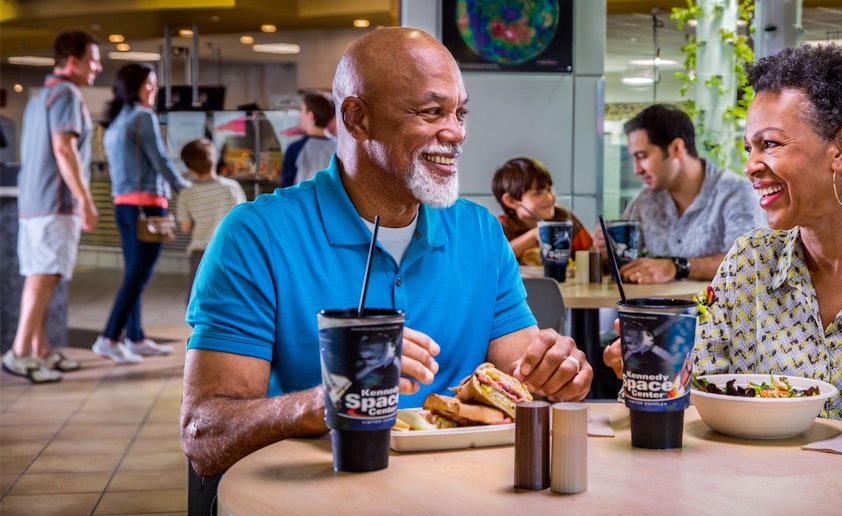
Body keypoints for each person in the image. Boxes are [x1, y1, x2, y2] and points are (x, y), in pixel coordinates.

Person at [181, 27, 591, 484]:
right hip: (312, 507)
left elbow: (525, 373)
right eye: (432, 111)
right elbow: (204, 435)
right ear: (356, 119)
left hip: (465, 502)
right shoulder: (256, 235)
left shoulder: (480, 232)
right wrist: (328, 401)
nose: (455, 133)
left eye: (460, 113)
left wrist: (556, 373)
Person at [604, 44, 842, 452]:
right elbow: (696, 400)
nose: (751, 165)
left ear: (841, 149)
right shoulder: (750, 263)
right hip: (758, 504)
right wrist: (654, 370)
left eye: (769, 144)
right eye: (749, 148)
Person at [3, 31, 102, 383]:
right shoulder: (66, 94)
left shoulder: (40, 95)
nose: (98, 67)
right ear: (72, 61)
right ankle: (19, 352)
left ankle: (41, 349)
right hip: (55, 203)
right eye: (93, 59)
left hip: (34, 203)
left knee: (42, 275)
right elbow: (64, 148)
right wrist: (85, 199)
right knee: (44, 277)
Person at [593, 104, 764, 283]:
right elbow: (623, 261)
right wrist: (607, 250)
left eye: (642, 156)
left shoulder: (736, 193)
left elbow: (748, 262)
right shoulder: (646, 201)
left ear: (676, 148)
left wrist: (677, 267)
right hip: (654, 309)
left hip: (715, 309)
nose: (636, 170)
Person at [92, 63, 191, 364]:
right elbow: (160, 159)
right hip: (146, 206)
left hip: (123, 205)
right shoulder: (142, 117)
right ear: (135, 85)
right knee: (138, 275)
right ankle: (109, 337)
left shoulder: (117, 120)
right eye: (150, 83)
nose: (155, 89)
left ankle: (135, 338)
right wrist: (185, 188)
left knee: (133, 272)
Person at [175, 138, 246, 301]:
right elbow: (242, 220)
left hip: (201, 252)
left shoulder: (186, 193)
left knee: (198, 298)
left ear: (189, 168)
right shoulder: (232, 187)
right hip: (230, 249)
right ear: (215, 161)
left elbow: (185, 227)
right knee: (231, 294)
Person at [492, 156, 593, 265]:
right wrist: (533, 235)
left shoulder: (563, 217)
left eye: (549, 189)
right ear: (511, 201)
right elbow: (490, 262)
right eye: (538, 193)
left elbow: (590, 254)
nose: (550, 198)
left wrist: (603, 250)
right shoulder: (499, 227)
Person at [279, 90, 336, 187]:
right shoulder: (340, 146)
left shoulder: (295, 148)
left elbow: (286, 189)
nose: (299, 115)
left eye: (301, 110)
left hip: (302, 202)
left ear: (310, 115)